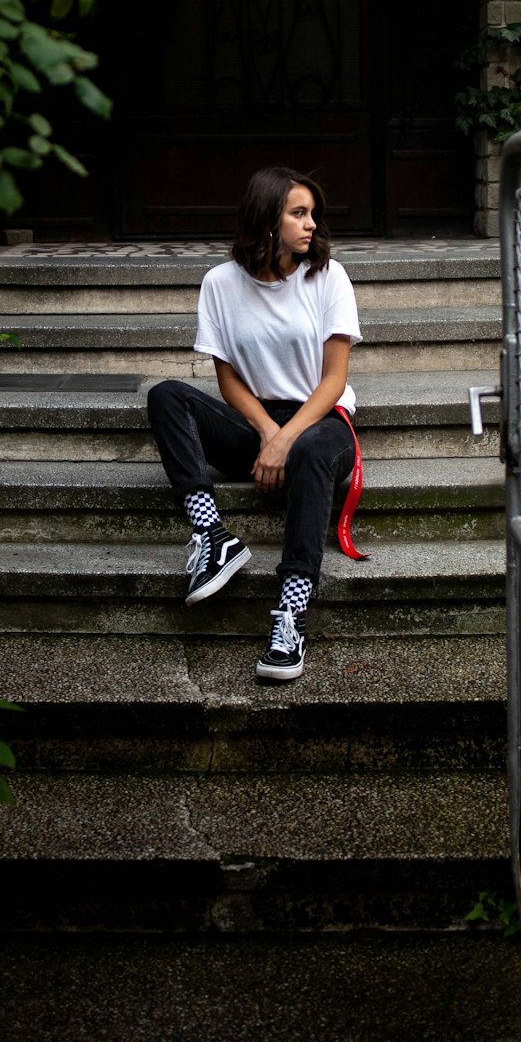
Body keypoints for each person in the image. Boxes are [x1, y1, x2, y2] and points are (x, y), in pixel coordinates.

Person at [146, 165, 363, 681]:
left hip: (322, 421)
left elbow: (334, 379)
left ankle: (290, 612)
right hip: (258, 422)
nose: (311, 225)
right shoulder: (220, 284)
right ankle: (213, 534)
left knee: (310, 453)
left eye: (313, 214)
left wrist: (286, 438)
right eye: (298, 213)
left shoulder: (328, 276)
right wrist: (267, 432)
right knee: (166, 397)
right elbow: (228, 380)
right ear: (268, 218)